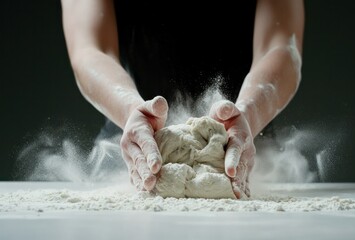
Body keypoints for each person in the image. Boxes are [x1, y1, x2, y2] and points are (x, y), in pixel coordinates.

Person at [60, 0, 304, 198]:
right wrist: (131, 110)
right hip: (133, 149)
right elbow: (90, 49)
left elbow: (281, 45)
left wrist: (248, 114)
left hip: (248, 150)